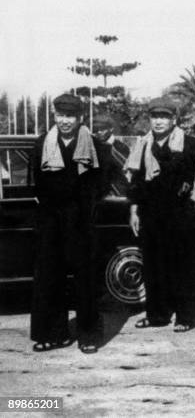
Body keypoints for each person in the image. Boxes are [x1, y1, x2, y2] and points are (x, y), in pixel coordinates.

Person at [125, 97, 195, 332]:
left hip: (179, 213)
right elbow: (136, 182)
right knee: (153, 266)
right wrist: (134, 210)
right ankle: (157, 315)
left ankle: (186, 317)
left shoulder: (188, 144)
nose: (158, 122)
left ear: (174, 120)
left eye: (164, 117)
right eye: (155, 117)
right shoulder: (143, 145)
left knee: (182, 267)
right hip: (150, 213)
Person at [30, 94, 105, 354]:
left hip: (81, 219)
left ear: (80, 118)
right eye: (60, 115)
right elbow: (36, 182)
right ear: (54, 116)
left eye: (70, 116)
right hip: (50, 219)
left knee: (85, 279)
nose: (64, 121)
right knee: (49, 277)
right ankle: (53, 334)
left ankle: (88, 335)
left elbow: (102, 182)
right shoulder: (42, 144)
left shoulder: (94, 144)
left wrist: (86, 208)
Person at [92, 114, 131, 197]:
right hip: (98, 194)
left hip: (119, 193)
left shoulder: (121, 147)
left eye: (102, 129)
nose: (98, 132)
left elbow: (124, 171)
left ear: (111, 129)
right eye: (96, 129)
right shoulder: (92, 147)